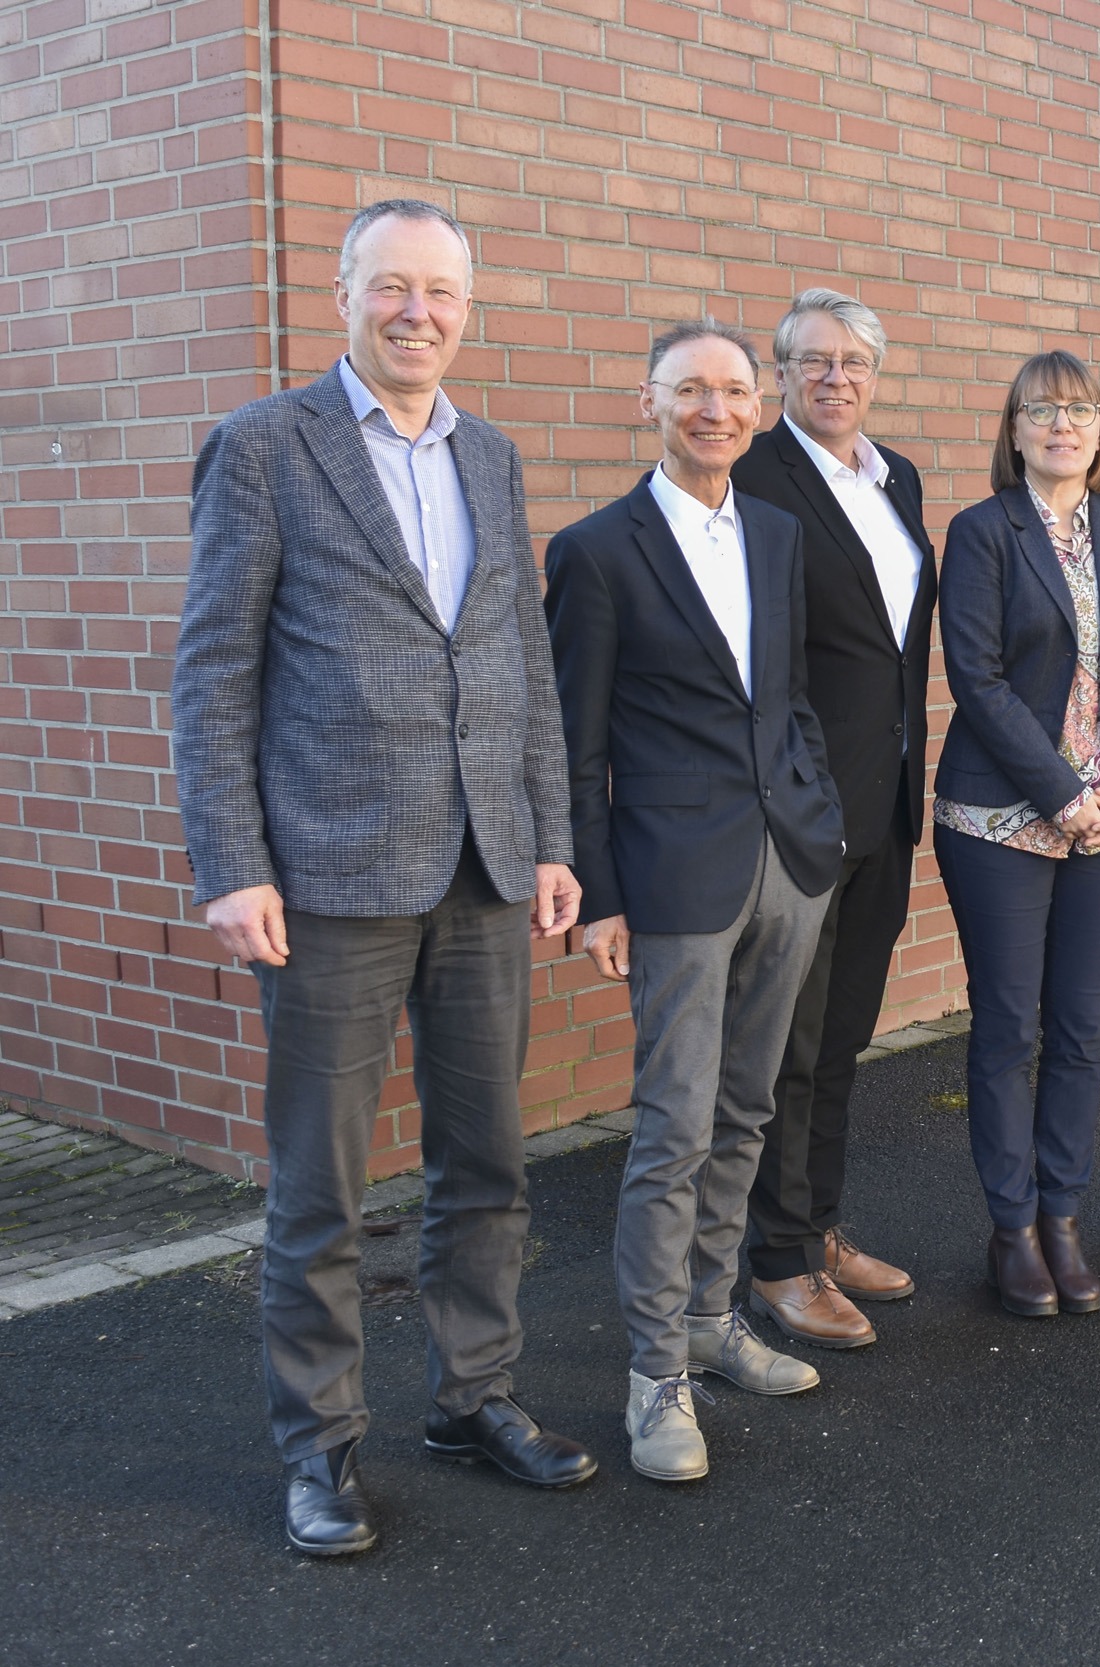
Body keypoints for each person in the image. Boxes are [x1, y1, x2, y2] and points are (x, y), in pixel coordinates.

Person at [173, 198, 596, 1557]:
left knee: (489, 1162)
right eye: (392, 286)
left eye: (441, 292)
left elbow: (521, 658)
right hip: (329, 873)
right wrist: (232, 863)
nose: (419, 312)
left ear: (467, 308)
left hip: (484, 866)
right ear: (344, 294)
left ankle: (474, 1396)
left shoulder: (493, 456)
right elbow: (214, 669)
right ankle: (320, 1444)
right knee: (323, 1183)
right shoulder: (263, 445)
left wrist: (550, 837)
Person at [544, 319, 848, 1481]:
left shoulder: (774, 532)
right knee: (673, 1126)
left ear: (757, 408)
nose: (713, 409)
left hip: (787, 864)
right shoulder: (595, 550)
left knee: (746, 1109)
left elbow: (792, 696)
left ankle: (714, 1320)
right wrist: (600, 895)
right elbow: (576, 748)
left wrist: (817, 819)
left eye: (732, 390)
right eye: (689, 390)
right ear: (649, 402)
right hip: (672, 877)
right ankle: (654, 1370)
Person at [932, 351, 1100, 1317]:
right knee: (1009, 1029)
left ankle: (1062, 1217)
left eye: (1078, 410)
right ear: (1014, 430)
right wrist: (1061, 794)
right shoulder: (982, 531)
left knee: (1079, 1027)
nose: (1061, 425)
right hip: (1000, 817)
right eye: (1040, 411)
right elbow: (977, 677)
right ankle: (1012, 1228)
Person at [730, 290, 934, 1349]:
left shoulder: (894, 477)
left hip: (886, 805)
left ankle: (818, 1224)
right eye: (813, 360)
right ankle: (775, 1259)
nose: (834, 377)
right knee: (789, 1046)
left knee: (844, 1035)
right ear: (780, 375)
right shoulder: (754, 478)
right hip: (803, 813)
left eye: (853, 361)